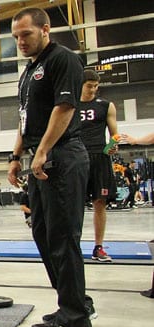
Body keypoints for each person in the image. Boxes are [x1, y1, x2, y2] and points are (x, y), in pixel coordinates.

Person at [7, 7, 93, 327]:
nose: (20, 41)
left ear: (45, 29)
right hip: (38, 160)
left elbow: (65, 107)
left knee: (63, 235)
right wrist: (16, 156)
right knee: (43, 233)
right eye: (16, 36)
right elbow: (24, 118)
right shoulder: (29, 72)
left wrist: (42, 151)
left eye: (26, 34)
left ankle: (75, 318)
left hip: (63, 156)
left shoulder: (63, 59)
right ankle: (75, 302)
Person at [79, 69, 119, 262]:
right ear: (81, 84)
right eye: (89, 86)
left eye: (96, 86)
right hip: (76, 157)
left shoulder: (106, 106)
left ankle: (98, 247)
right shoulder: (70, 105)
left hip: (99, 157)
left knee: (100, 203)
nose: (93, 89)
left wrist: (112, 146)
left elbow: (114, 135)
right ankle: (72, 246)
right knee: (73, 204)